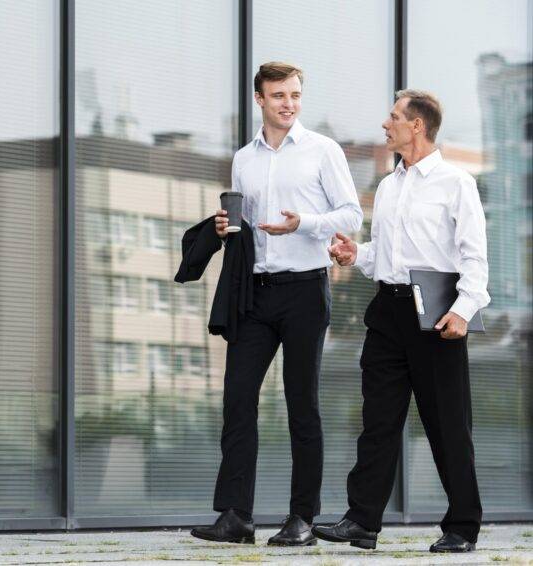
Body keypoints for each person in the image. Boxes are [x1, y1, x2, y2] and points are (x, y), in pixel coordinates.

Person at [190, 61, 362, 546]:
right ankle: (235, 516)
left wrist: (302, 223)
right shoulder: (244, 158)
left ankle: (302, 519)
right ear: (260, 99)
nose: (289, 103)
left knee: (301, 404)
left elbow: (352, 214)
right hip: (256, 292)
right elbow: (244, 222)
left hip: (305, 290)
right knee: (238, 401)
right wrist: (226, 228)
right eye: (279, 95)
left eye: (295, 95)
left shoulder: (322, 151)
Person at [314, 90, 489, 553]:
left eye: (393, 117)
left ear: (417, 126)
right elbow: (389, 256)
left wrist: (463, 310)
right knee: (378, 421)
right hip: (388, 312)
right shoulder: (390, 184)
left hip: (436, 316)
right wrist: (358, 254)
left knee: (447, 424)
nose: (385, 124)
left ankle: (462, 526)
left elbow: (474, 255)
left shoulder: (455, 182)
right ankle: (363, 521)